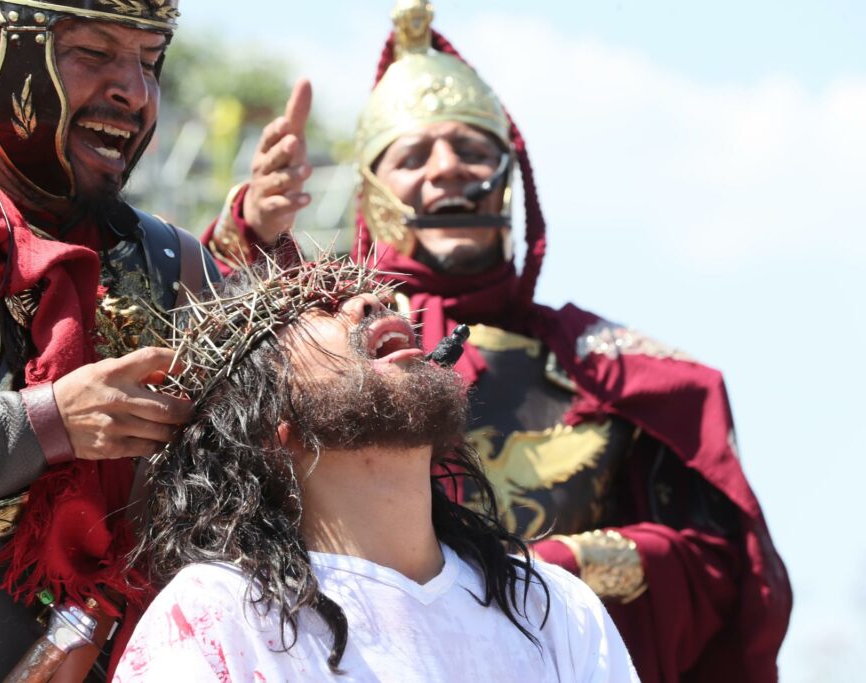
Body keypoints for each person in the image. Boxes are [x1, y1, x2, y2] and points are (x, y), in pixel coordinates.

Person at [202, 2, 792, 681]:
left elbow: (720, 564)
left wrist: (555, 574)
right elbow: (224, 393)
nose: (448, 168)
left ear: (512, 182)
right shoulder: (336, 339)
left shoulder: (610, 366)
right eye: (415, 154)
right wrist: (249, 235)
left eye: (474, 150)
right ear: (371, 193)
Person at [0, 1, 305, 680]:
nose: (135, 91)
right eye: (94, 53)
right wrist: (43, 424)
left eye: (149, 60)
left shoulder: (170, 264)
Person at [113, 258, 640, 682]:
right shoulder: (215, 614)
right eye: (319, 307)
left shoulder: (550, 608)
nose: (371, 301)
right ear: (270, 420)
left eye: (368, 294)